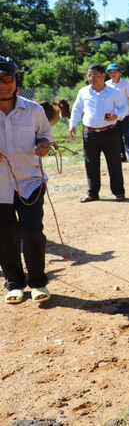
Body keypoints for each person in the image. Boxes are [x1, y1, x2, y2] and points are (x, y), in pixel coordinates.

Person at [0, 55, 53, 304]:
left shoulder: (34, 110)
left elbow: (45, 136)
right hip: (0, 187)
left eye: (7, 78)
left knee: (32, 232)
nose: (3, 84)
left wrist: (43, 145)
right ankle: (14, 283)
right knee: (4, 234)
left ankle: (38, 282)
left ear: (15, 80)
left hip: (30, 182)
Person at [69, 64, 128, 202]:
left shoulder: (113, 92)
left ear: (103, 76)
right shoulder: (83, 92)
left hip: (110, 132)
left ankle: (119, 192)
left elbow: (124, 107)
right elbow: (77, 108)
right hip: (90, 133)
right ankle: (92, 193)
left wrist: (116, 116)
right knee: (91, 163)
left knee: (114, 162)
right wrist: (72, 124)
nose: (91, 79)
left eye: (94, 75)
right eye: (89, 76)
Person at [105, 63, 129, 164]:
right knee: (117, 136)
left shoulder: (126, 83)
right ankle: (122, 155)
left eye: (114, 72)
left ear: (119, 72)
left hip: (125, 113)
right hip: (113, 115)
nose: (112, 74)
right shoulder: (107, 84)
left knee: (127, 135)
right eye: (110, 72)